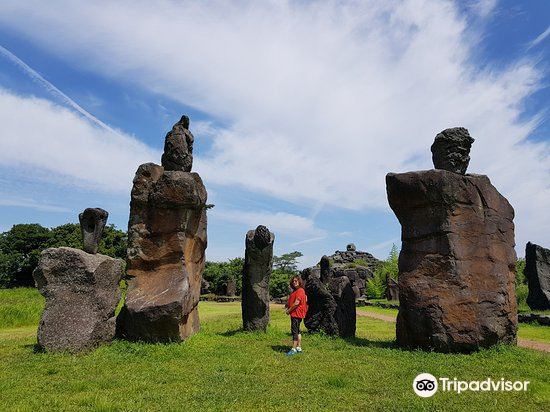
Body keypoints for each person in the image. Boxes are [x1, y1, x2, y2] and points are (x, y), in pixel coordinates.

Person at [285, 275, 308, 356]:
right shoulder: (297, 291)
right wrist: (287, 304)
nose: (294, 282)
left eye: (296, 281)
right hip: (297, 313)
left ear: (299, 281)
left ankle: (293, 349)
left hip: (296, 313)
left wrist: (288, 311)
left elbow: (297, 303)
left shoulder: (300, 290)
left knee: (294, 331)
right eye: (293, 281)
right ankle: (299, 347)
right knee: (297, 330)